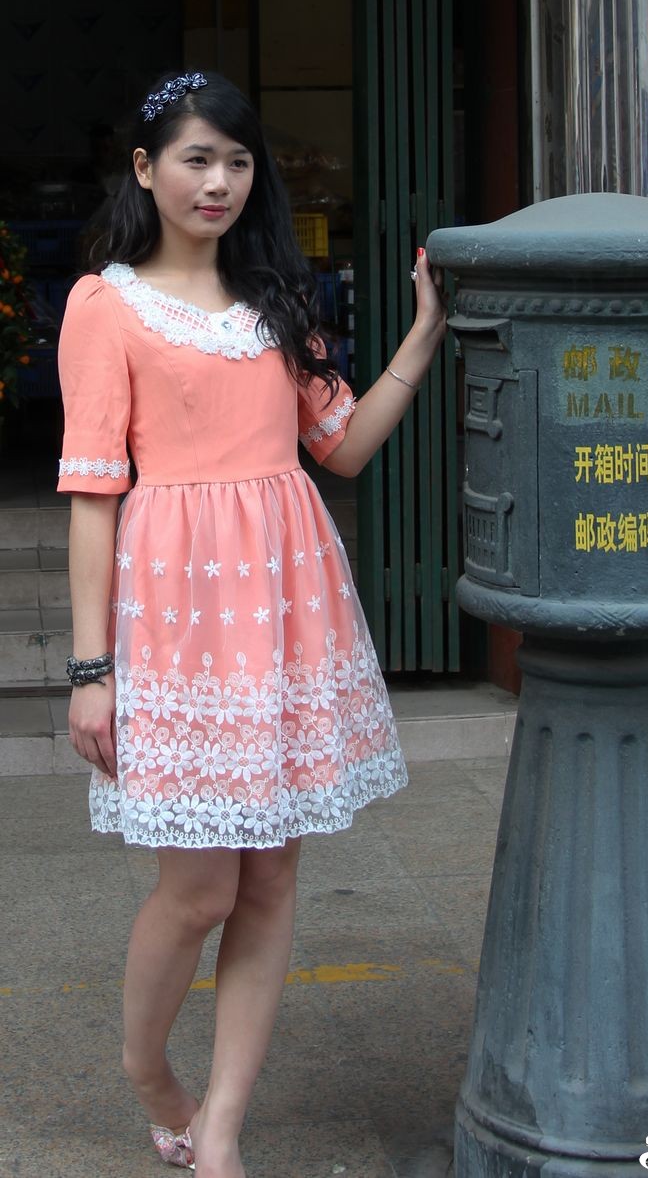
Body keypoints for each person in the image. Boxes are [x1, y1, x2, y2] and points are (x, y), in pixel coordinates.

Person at [56, 69, 447, 1178]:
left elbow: (343, 447)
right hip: (176, 616)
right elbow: (91, 495)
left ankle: (221, 1124)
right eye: (196, 158)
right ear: (146, 169)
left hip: (284, 609)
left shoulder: (276, 300)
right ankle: (149, 1072)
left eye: (236, 161)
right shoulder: (106, 305)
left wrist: (421, 337)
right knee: (198, 891)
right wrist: (91, 668)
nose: (218, 181)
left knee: (269, 879)